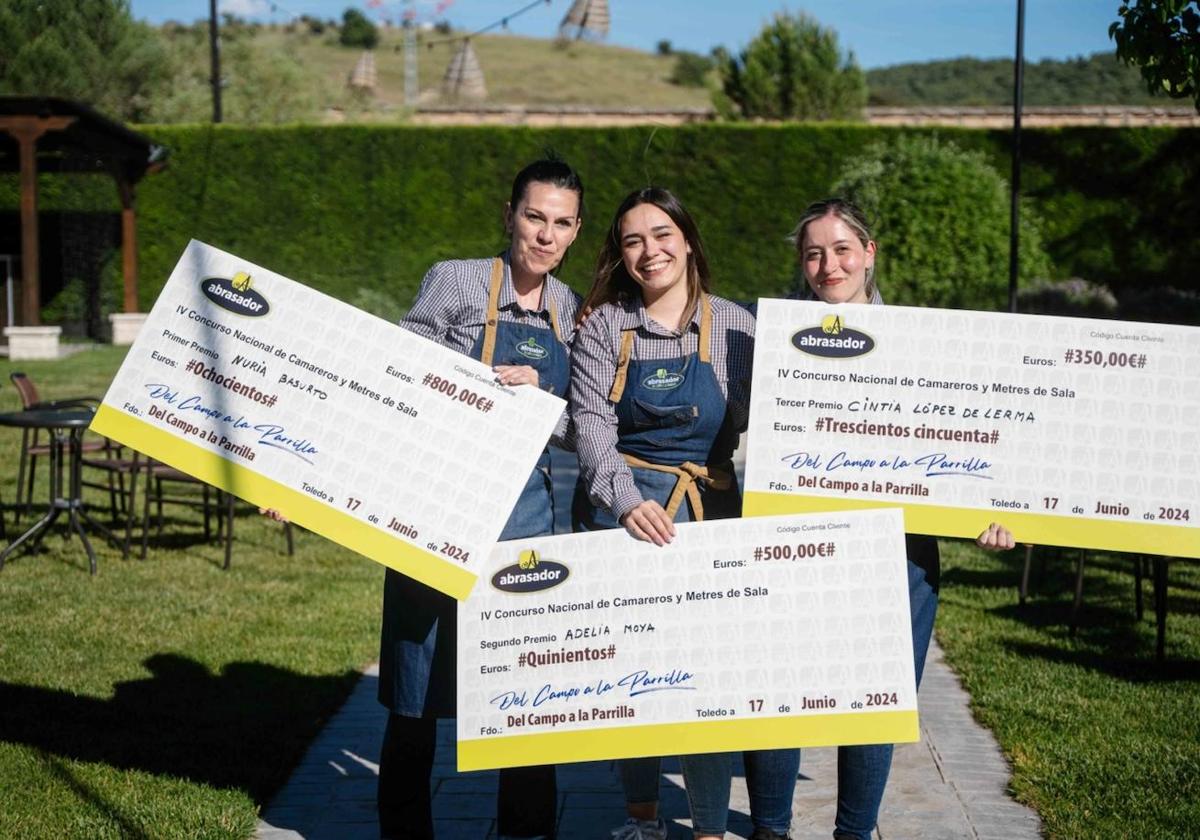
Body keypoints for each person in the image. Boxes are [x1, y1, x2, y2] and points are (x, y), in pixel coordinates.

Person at [569, 186, 796, 840]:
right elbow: (590, 422)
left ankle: (707, 829)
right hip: (630, 521)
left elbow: (785, 417)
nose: (649, 251)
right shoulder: (605, 325)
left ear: (689, 239)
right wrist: (625, 499)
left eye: (662, 234)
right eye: (633, 240)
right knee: (636, 674)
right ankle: (641, 819)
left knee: (708, 680)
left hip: (715, 516)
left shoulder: (739, 327)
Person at [788, 197, 1015, 840]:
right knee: (782, 695)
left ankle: (854, 833)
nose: (827, 264)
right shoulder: (776, 342)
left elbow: (970, 436)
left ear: (869, 252)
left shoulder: (923, 342)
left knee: (876, 703)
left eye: (840, 249)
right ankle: (772, 827)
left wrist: (990, 514)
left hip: (900, 552)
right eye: (813, 253)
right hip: (804, 548)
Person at [376, 157, 585, 840]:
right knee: (417, 688)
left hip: (526, 517)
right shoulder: (456, 279)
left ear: (575, 231)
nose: (545, 236)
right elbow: (401, 375)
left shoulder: (570, 310)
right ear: (510, 215)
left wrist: (539, 406)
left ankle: (525, 833)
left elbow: (579, 423)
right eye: (534, 218)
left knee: (524, 695)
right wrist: (477, 387)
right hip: (438, 503)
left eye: (560, 223)